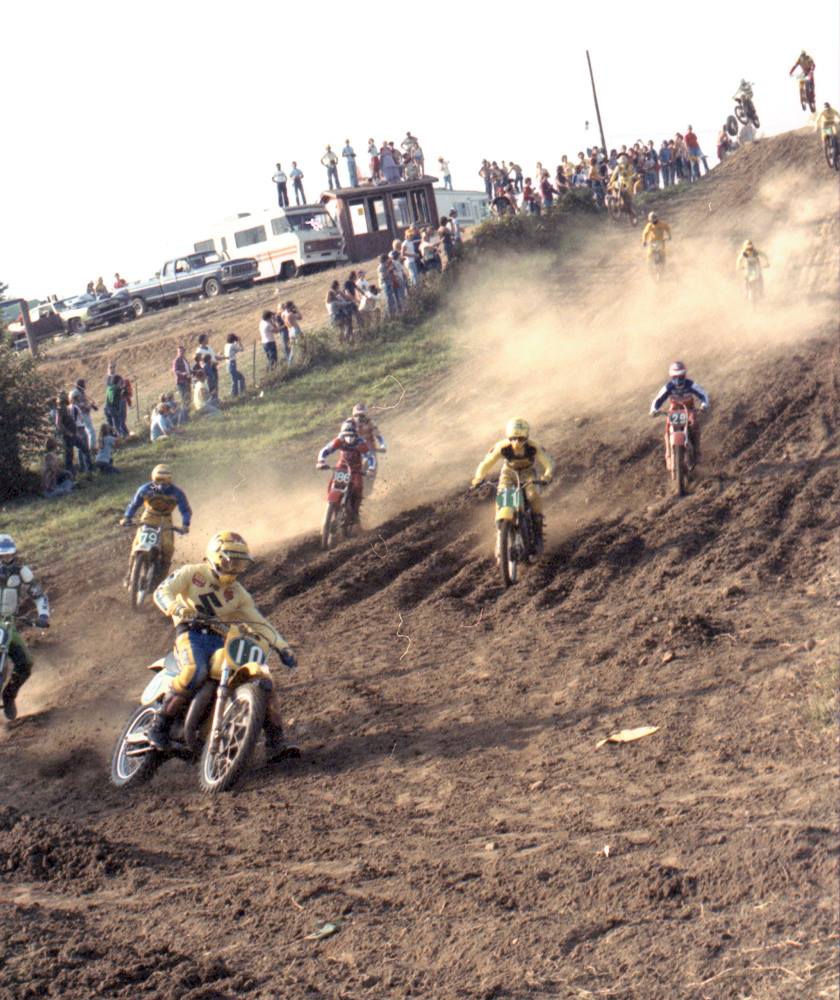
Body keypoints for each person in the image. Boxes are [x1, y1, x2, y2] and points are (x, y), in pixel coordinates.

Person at [148, 531, 297, 759]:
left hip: (221, 641)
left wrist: (282, 646)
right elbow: (162, 591)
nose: (235, 568)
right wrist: (175, 607)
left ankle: (275, 742)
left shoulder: (238, 593)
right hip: (191, 634)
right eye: (231, 560)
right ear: (216, 556)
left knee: (264, 683)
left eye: (240, 563)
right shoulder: (192, 573)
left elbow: (259, 622)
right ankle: (159, 725)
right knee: (196, 672)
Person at [470, 418, 555, 557]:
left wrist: (547, 476)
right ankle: (500, 536)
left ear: (526, 437)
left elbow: (548, 462)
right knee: (503, 498)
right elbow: (486, 463)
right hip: (508, 473)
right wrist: (478, 478)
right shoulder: (502, 447)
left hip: (528, 473)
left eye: (520, 438)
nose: (516, 442)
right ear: (508, 437)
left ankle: (538, 532)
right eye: (513, 438)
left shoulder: (533, 447)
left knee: (533, 496)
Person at [0, 535, 50, 720]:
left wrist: (43, 615)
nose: (5, 561)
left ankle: (9, 695)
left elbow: (38, 595)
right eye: (1, 557)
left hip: (8, 623)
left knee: (26, 663)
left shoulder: (22, 572)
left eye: (8, 556)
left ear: (14, 554)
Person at [120, 464, 191, 582]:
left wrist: (185, 524)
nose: (162, 484)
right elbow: (134, 504)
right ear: (153, 479)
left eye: (165, 481)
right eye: (158, 481)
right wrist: (127, 517)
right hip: (149, 517)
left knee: (168, 549)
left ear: (170, 480)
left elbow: (185, 510)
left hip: (166, 520)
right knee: (137, 543)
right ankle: (129, 573)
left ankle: (160, 580)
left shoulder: (177, 493)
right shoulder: (145, 489)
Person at [649, 361, 710, 463]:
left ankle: (697, 450)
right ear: (671, 377)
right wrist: (654, 409)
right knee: (668, 426)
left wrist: (704, 405)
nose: (678, 380)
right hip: (674, 409)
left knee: (694, 423)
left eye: (680, 377)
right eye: (675, 377)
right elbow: (658, 399)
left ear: (684, 375)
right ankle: (668, 452)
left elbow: (703, 394)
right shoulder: (668, 387)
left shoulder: (691, 385)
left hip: (689, 408)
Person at [316, 419, 371, 522]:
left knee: (358, 486)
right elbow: (325, 450)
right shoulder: (339, 440)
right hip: (342, 467)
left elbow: (370, 457)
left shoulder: (361, 443)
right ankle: (331, 503)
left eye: (352, 435)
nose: (349, 438)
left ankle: (355, 511)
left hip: (355, 470)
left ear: (356, 433)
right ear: (342, 433)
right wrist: (321, 461)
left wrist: (371, 469)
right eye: (346, 434)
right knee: (332, 483)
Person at [69, 378, 98, 450]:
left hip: (84, 414)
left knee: (87, 432)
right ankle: (92, 448)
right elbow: (76, 404)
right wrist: (87, 406)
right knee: (91, 431)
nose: (85, 385)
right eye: (84, 384)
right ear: (81, 384)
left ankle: (89, 447)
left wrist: (91, 406)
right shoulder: (75, 393)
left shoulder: (81, 392)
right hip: (81, 415)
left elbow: (83, 402)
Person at [172, 345, 191, 422]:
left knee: (188, 399)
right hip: (181, 382)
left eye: (182, 351)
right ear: (177, 352)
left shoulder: (185, 360)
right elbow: (175, 371)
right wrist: (182, 373)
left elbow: (188, 369)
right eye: (180, 351)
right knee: (184, 399)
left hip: (187, 381)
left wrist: (191, 372)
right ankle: (184, 419)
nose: (181, 353)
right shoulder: (176, 361)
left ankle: (187, 416)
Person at [224, 333, 246, 397]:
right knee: (237, 379)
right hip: (232, 363)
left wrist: (236, 342)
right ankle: (235, 394)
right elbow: (241, 349)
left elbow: (234, 351)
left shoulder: (226, 345)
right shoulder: (232, 345)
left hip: (228, 364)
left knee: (237, 378)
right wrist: (239, 341)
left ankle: (237, 393)